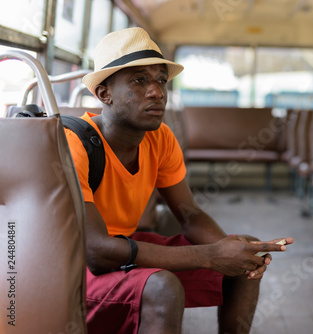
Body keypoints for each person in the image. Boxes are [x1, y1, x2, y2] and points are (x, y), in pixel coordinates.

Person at [64, 27, 293, 334]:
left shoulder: (159, 138)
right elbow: (97, 251)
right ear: (104, 93)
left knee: (243, 254)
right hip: (74, 269)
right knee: (163, 288)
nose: (157, 91)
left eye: (161, 79)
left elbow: (189, 214)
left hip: (121, 253)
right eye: (139, 80)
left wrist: (232, 251)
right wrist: (210, 256)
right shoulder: (73, 144)